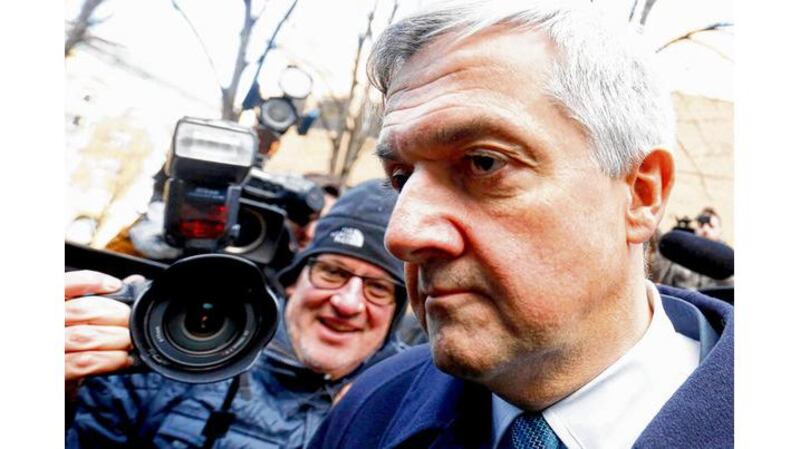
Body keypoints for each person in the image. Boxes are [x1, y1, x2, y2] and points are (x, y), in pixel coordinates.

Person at [307, 1, 733, 449]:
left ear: (641, 194)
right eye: (401, 178)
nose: (403, 233)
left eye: (484, 163)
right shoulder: (370, 411)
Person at [66, 179, 409, 449]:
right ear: (294, 280)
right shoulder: (170, 357)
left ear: (396, 313)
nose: (347, 303)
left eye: (378, 289)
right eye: (331, 272)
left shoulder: (410, 409)